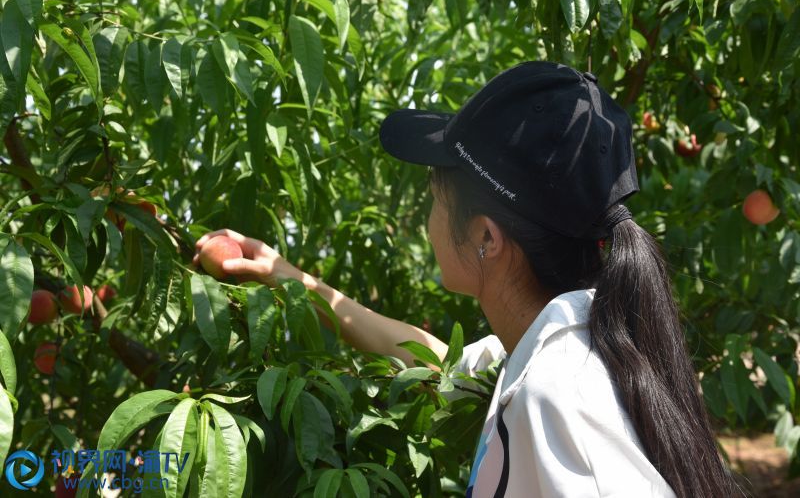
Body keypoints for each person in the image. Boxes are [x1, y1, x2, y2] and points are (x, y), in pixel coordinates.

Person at [195, 61, 743, 497]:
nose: (425, 220)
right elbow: (431, 360)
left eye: (434, 199)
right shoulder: (565, 343)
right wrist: (285, 276)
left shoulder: (556, 401)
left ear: (486, 237)